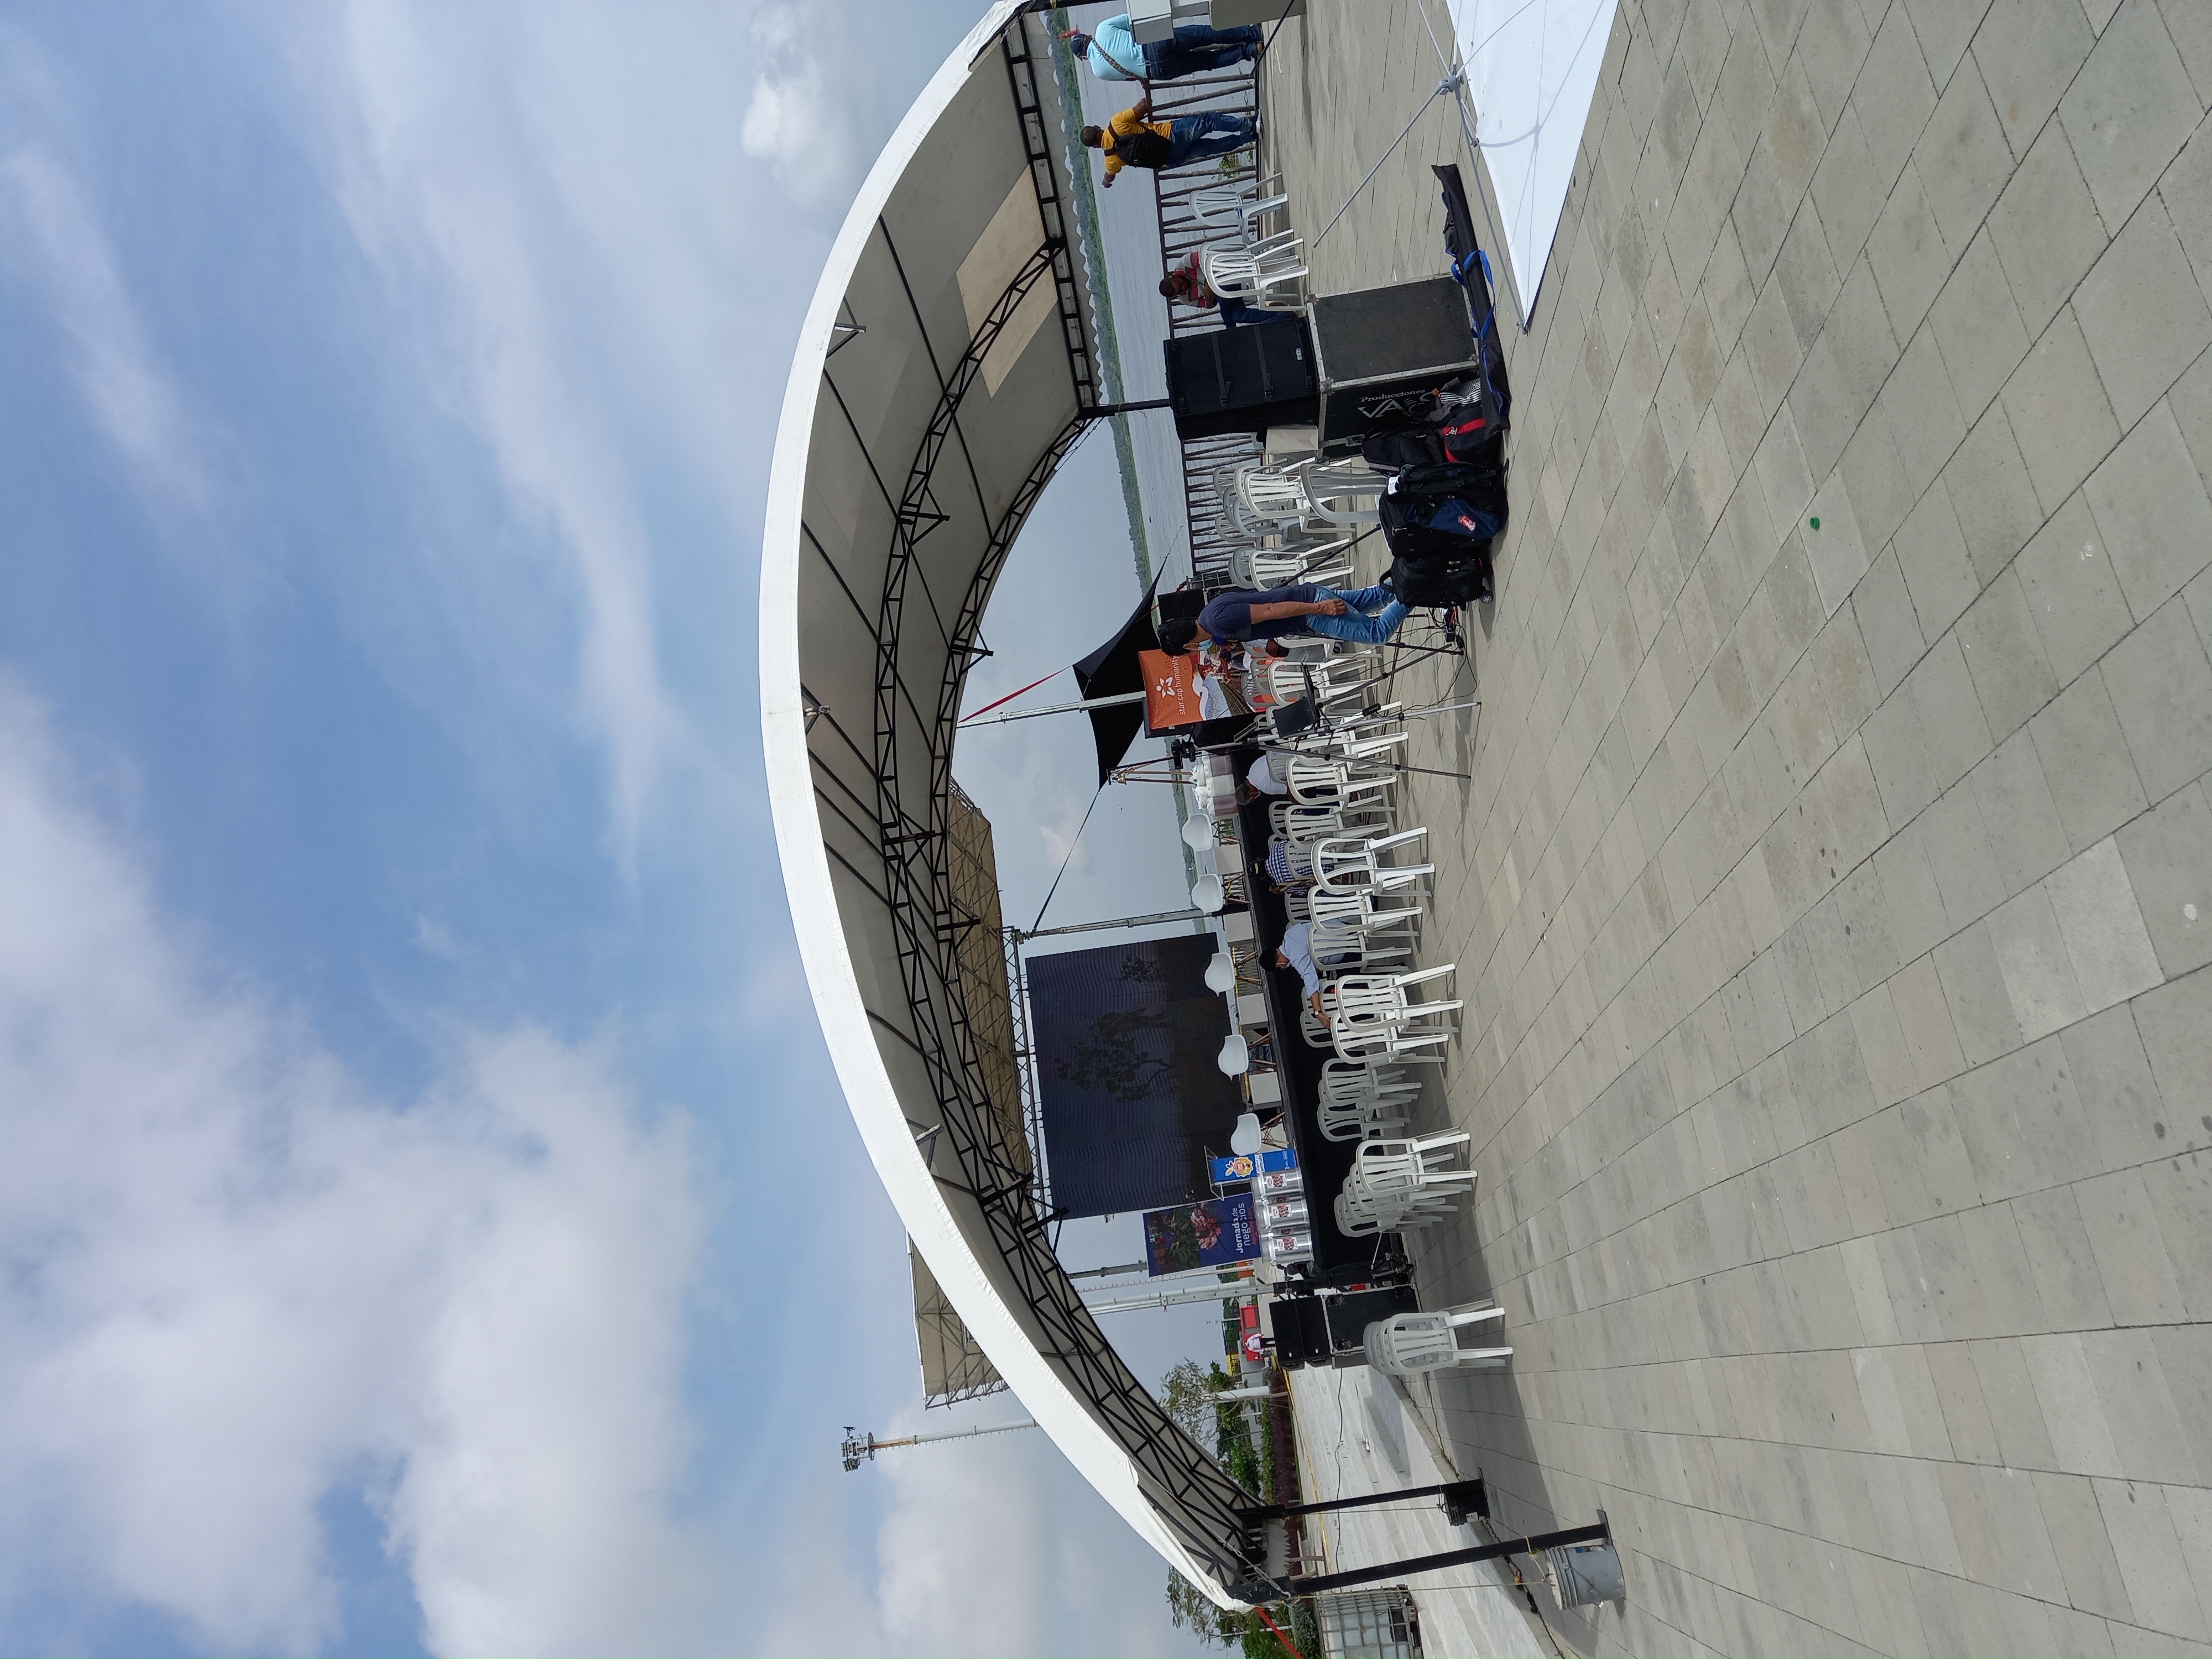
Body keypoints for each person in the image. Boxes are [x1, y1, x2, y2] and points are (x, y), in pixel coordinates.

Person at [1157, 583, 1413, 652]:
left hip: (1309, 611)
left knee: (1376, 634)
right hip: (1308, 598)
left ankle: (1418, 587)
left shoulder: (1217, 621)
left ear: (1189, 645)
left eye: (1191, 652)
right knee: (1378, 597)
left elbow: (1270, 610)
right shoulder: (1209, 614)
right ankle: (1424, 569)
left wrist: (1320, 609)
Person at [1081, 96, 1256, 186]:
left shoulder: (1110, 161)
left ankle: (1248, 137)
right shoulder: (1117, 122)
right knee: (1208, 121)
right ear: (1098, 127)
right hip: (1170, 135)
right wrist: (1144, 96)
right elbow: (1143, 107)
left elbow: (1110, 175)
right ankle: (1247, 125)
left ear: (1095, 146)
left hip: (1169, 160)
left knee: (1211, 147)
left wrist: (1106, 182)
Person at [1065, 18, 1264, 83]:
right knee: (1205, 34)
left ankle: (1250, 51)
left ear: (1083, 56)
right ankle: (1252, 32)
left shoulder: (1098, 72)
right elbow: (1132, 20)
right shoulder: (1102, 29)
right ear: (1088, 37)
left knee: (1208, 62)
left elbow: (1131, 78)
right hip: (1155, 44)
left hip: (1157, 72)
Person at [1161, 250, 1293, 331]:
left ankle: (1230, 328)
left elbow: (1208, 259)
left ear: (1174, 277)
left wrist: (1209, 283)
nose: (1183, 287)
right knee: (1237, 315)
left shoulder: (1184, 264)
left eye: (1180, 284)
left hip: (1228, 272)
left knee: (1228, 315)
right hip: (1224, 296)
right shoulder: (1185, 299)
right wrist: (1210, 297)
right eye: (1180, 291)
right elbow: (1209, 305)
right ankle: (1276, 314)